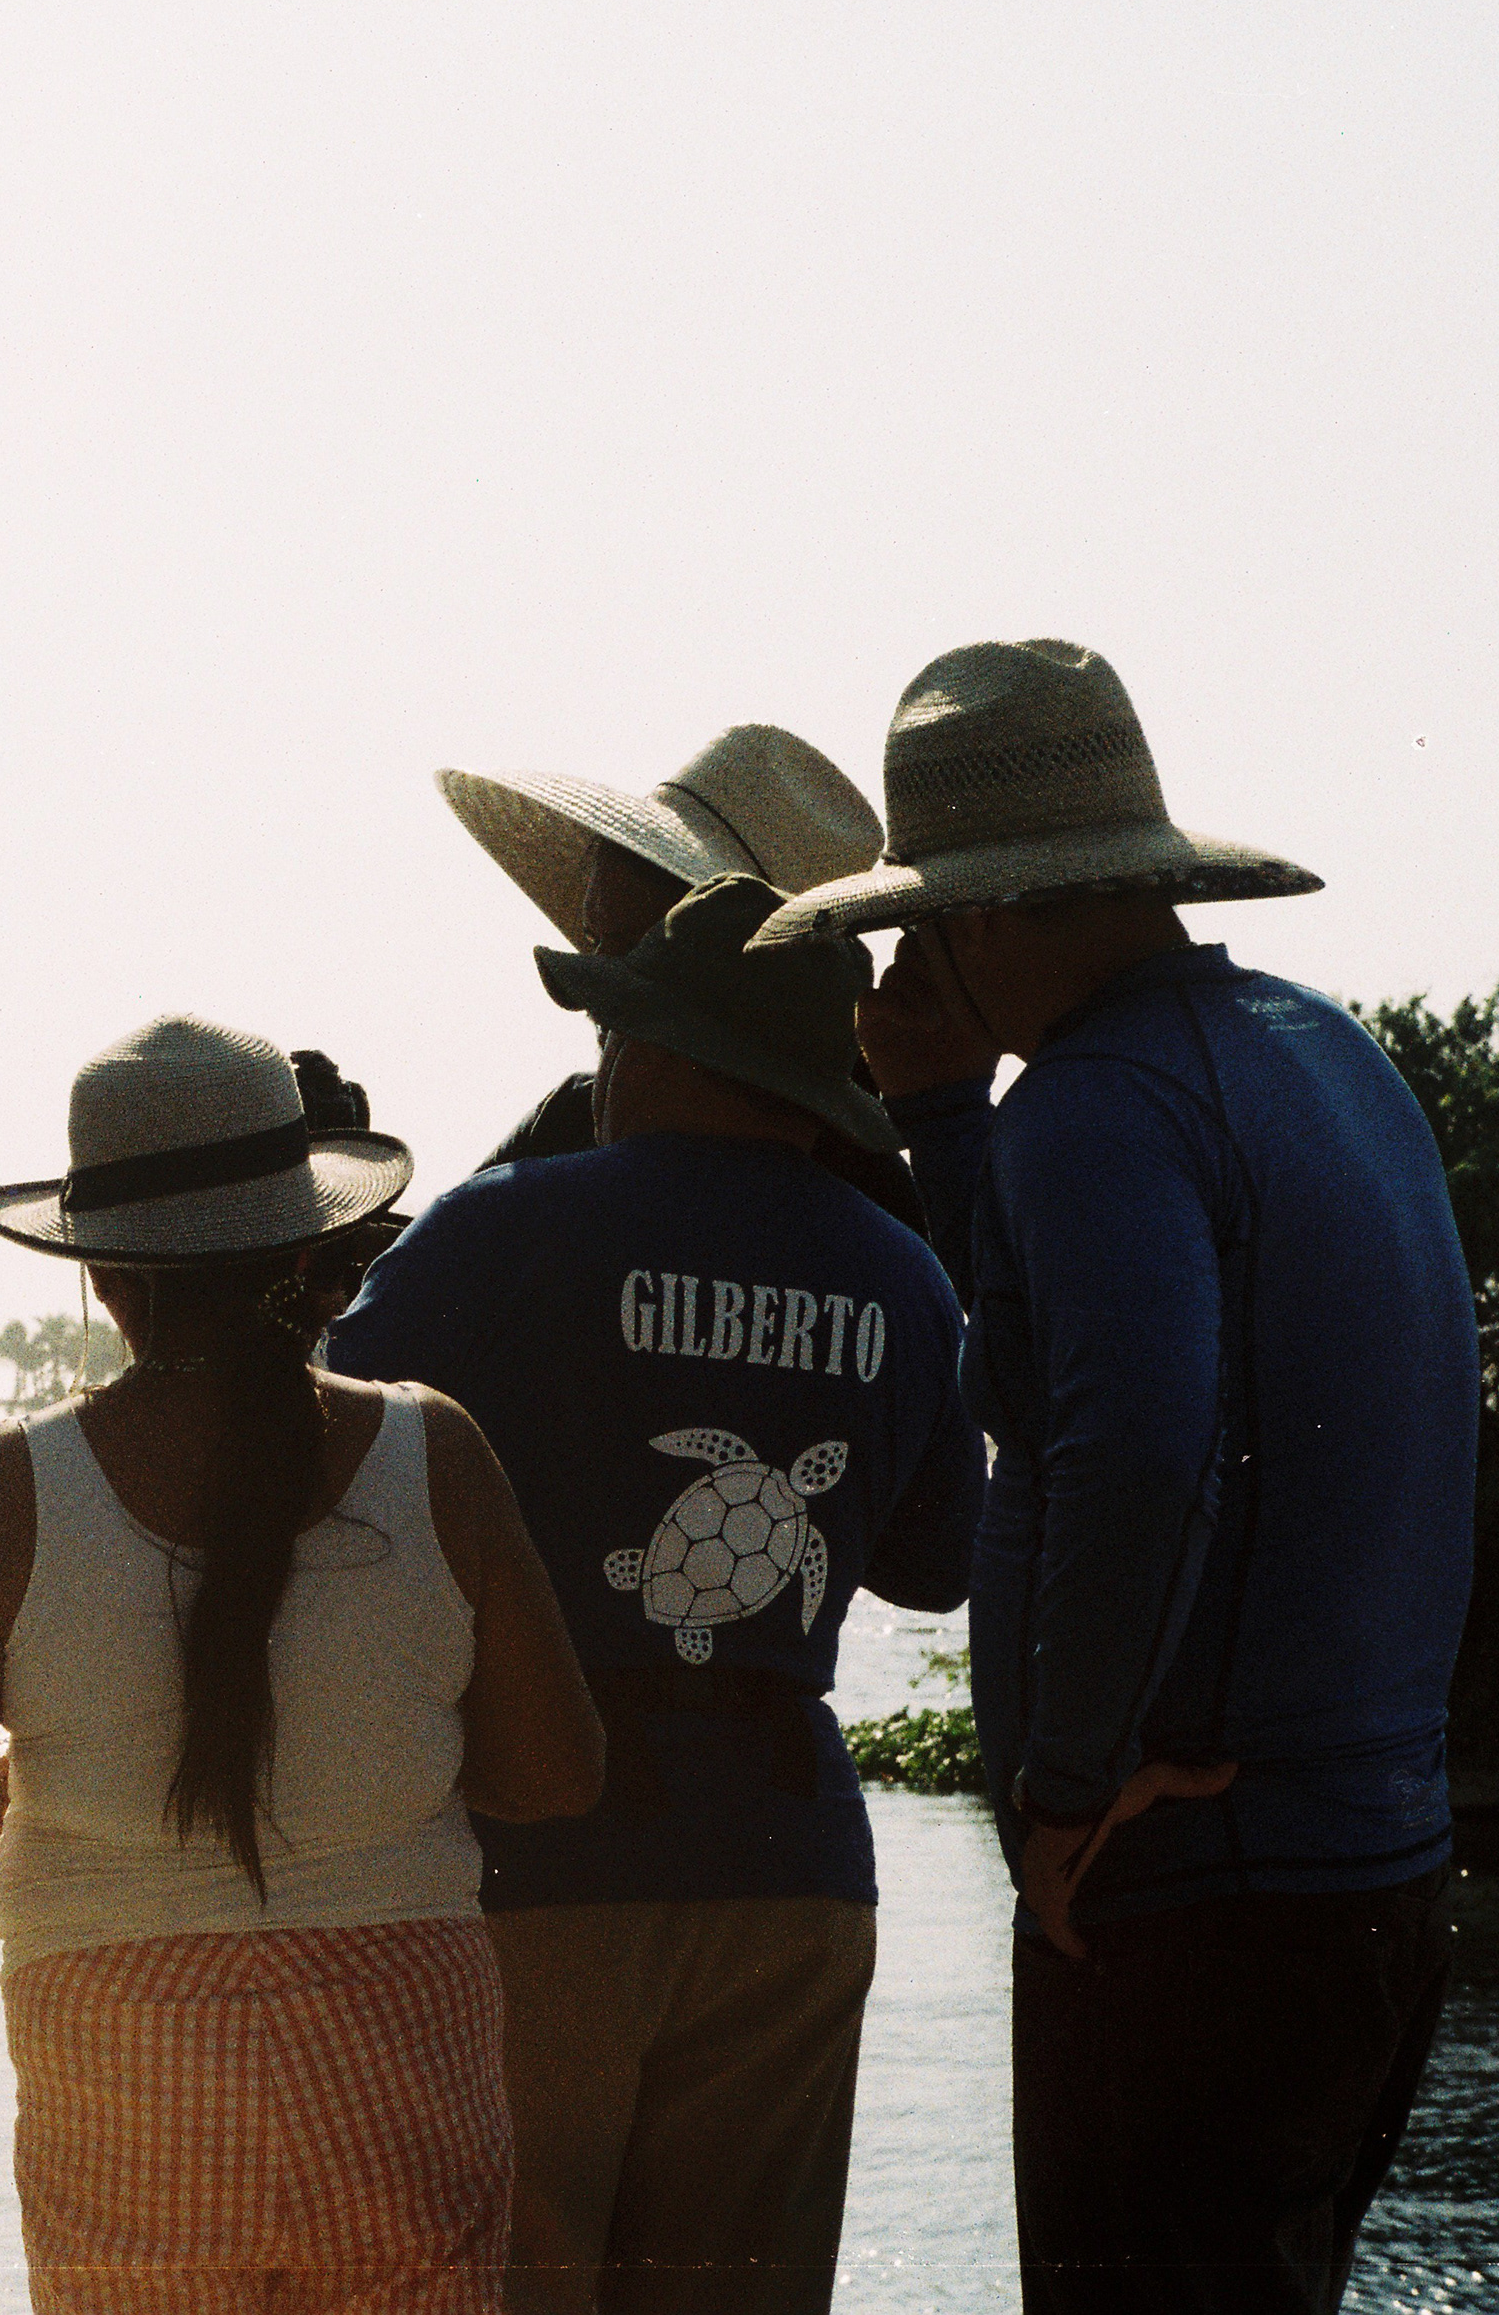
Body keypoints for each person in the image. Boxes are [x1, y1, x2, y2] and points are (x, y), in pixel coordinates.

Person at [758, 639, 1477, 2313]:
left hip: (1187, 1902)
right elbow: (1027, 1376)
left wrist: (1068, 1785)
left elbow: (1130, 1439)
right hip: (1370, 1873)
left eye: (921, 923)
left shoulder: (1092, 1105)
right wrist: (944, 1115)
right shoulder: (1322, 1054)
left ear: (986, 912)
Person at [0, 1016, 605, 2311]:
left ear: (105, 1276)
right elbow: (556, 1777)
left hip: (125, 2074)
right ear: (314, 1253)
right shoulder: (439, 1456)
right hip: (401, 2058)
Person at [329, 876, 981, 2313]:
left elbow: (311, 1442)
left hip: (545, 1852)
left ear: (666, 1049)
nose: (602, 1063)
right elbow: (939, 1567)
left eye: (618, 1031)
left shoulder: (505, 1228)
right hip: (795, 1864)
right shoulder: (910, 1276)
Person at [434, 729, 920, 1229]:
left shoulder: (874, 1200)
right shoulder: (566, 1123)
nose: (598, 993)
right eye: (597, 942)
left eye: (638, 950)